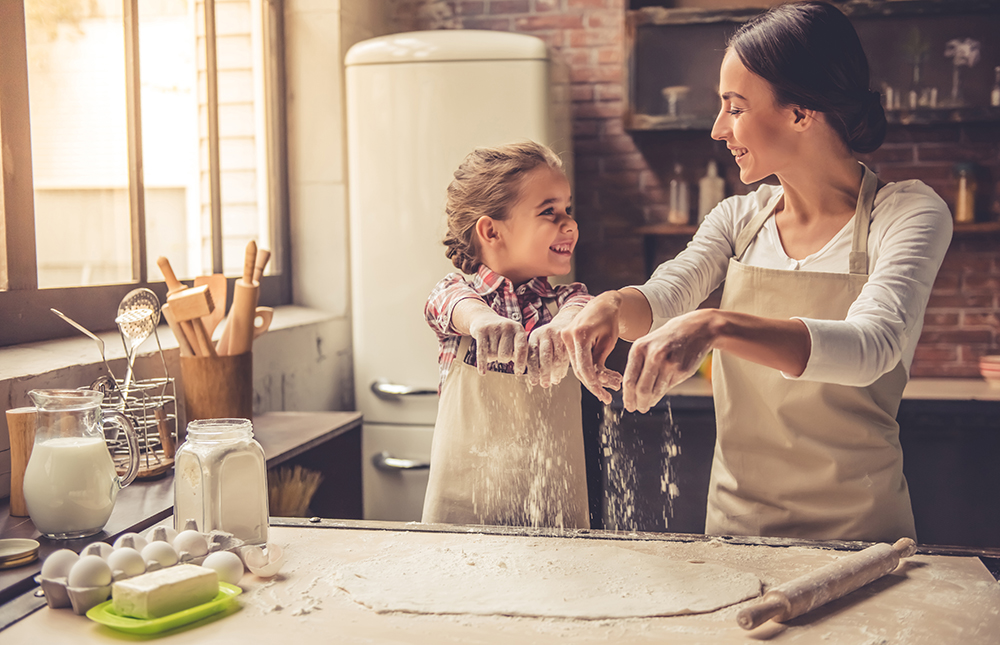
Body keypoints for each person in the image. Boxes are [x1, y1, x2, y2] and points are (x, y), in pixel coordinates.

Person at [562, 1, 952, 542]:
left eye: (735, 107)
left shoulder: (905, 213)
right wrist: (608, 305)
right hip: (737, 526)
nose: (719, 129)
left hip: (862, 534)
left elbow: (873, 347)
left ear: (800, 112)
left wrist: (715, 325)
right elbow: (665, 294)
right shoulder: (739, 218)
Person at [421, 140, 616, 529]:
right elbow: (449, 303)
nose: (570, 224)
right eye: (549, 211)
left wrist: (563, 326)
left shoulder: (569, 300)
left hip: (553, 511)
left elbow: (583, 310)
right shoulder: (460, 296)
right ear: (491, 231)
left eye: (568, 209)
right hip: (464, 513)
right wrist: (481, 320)